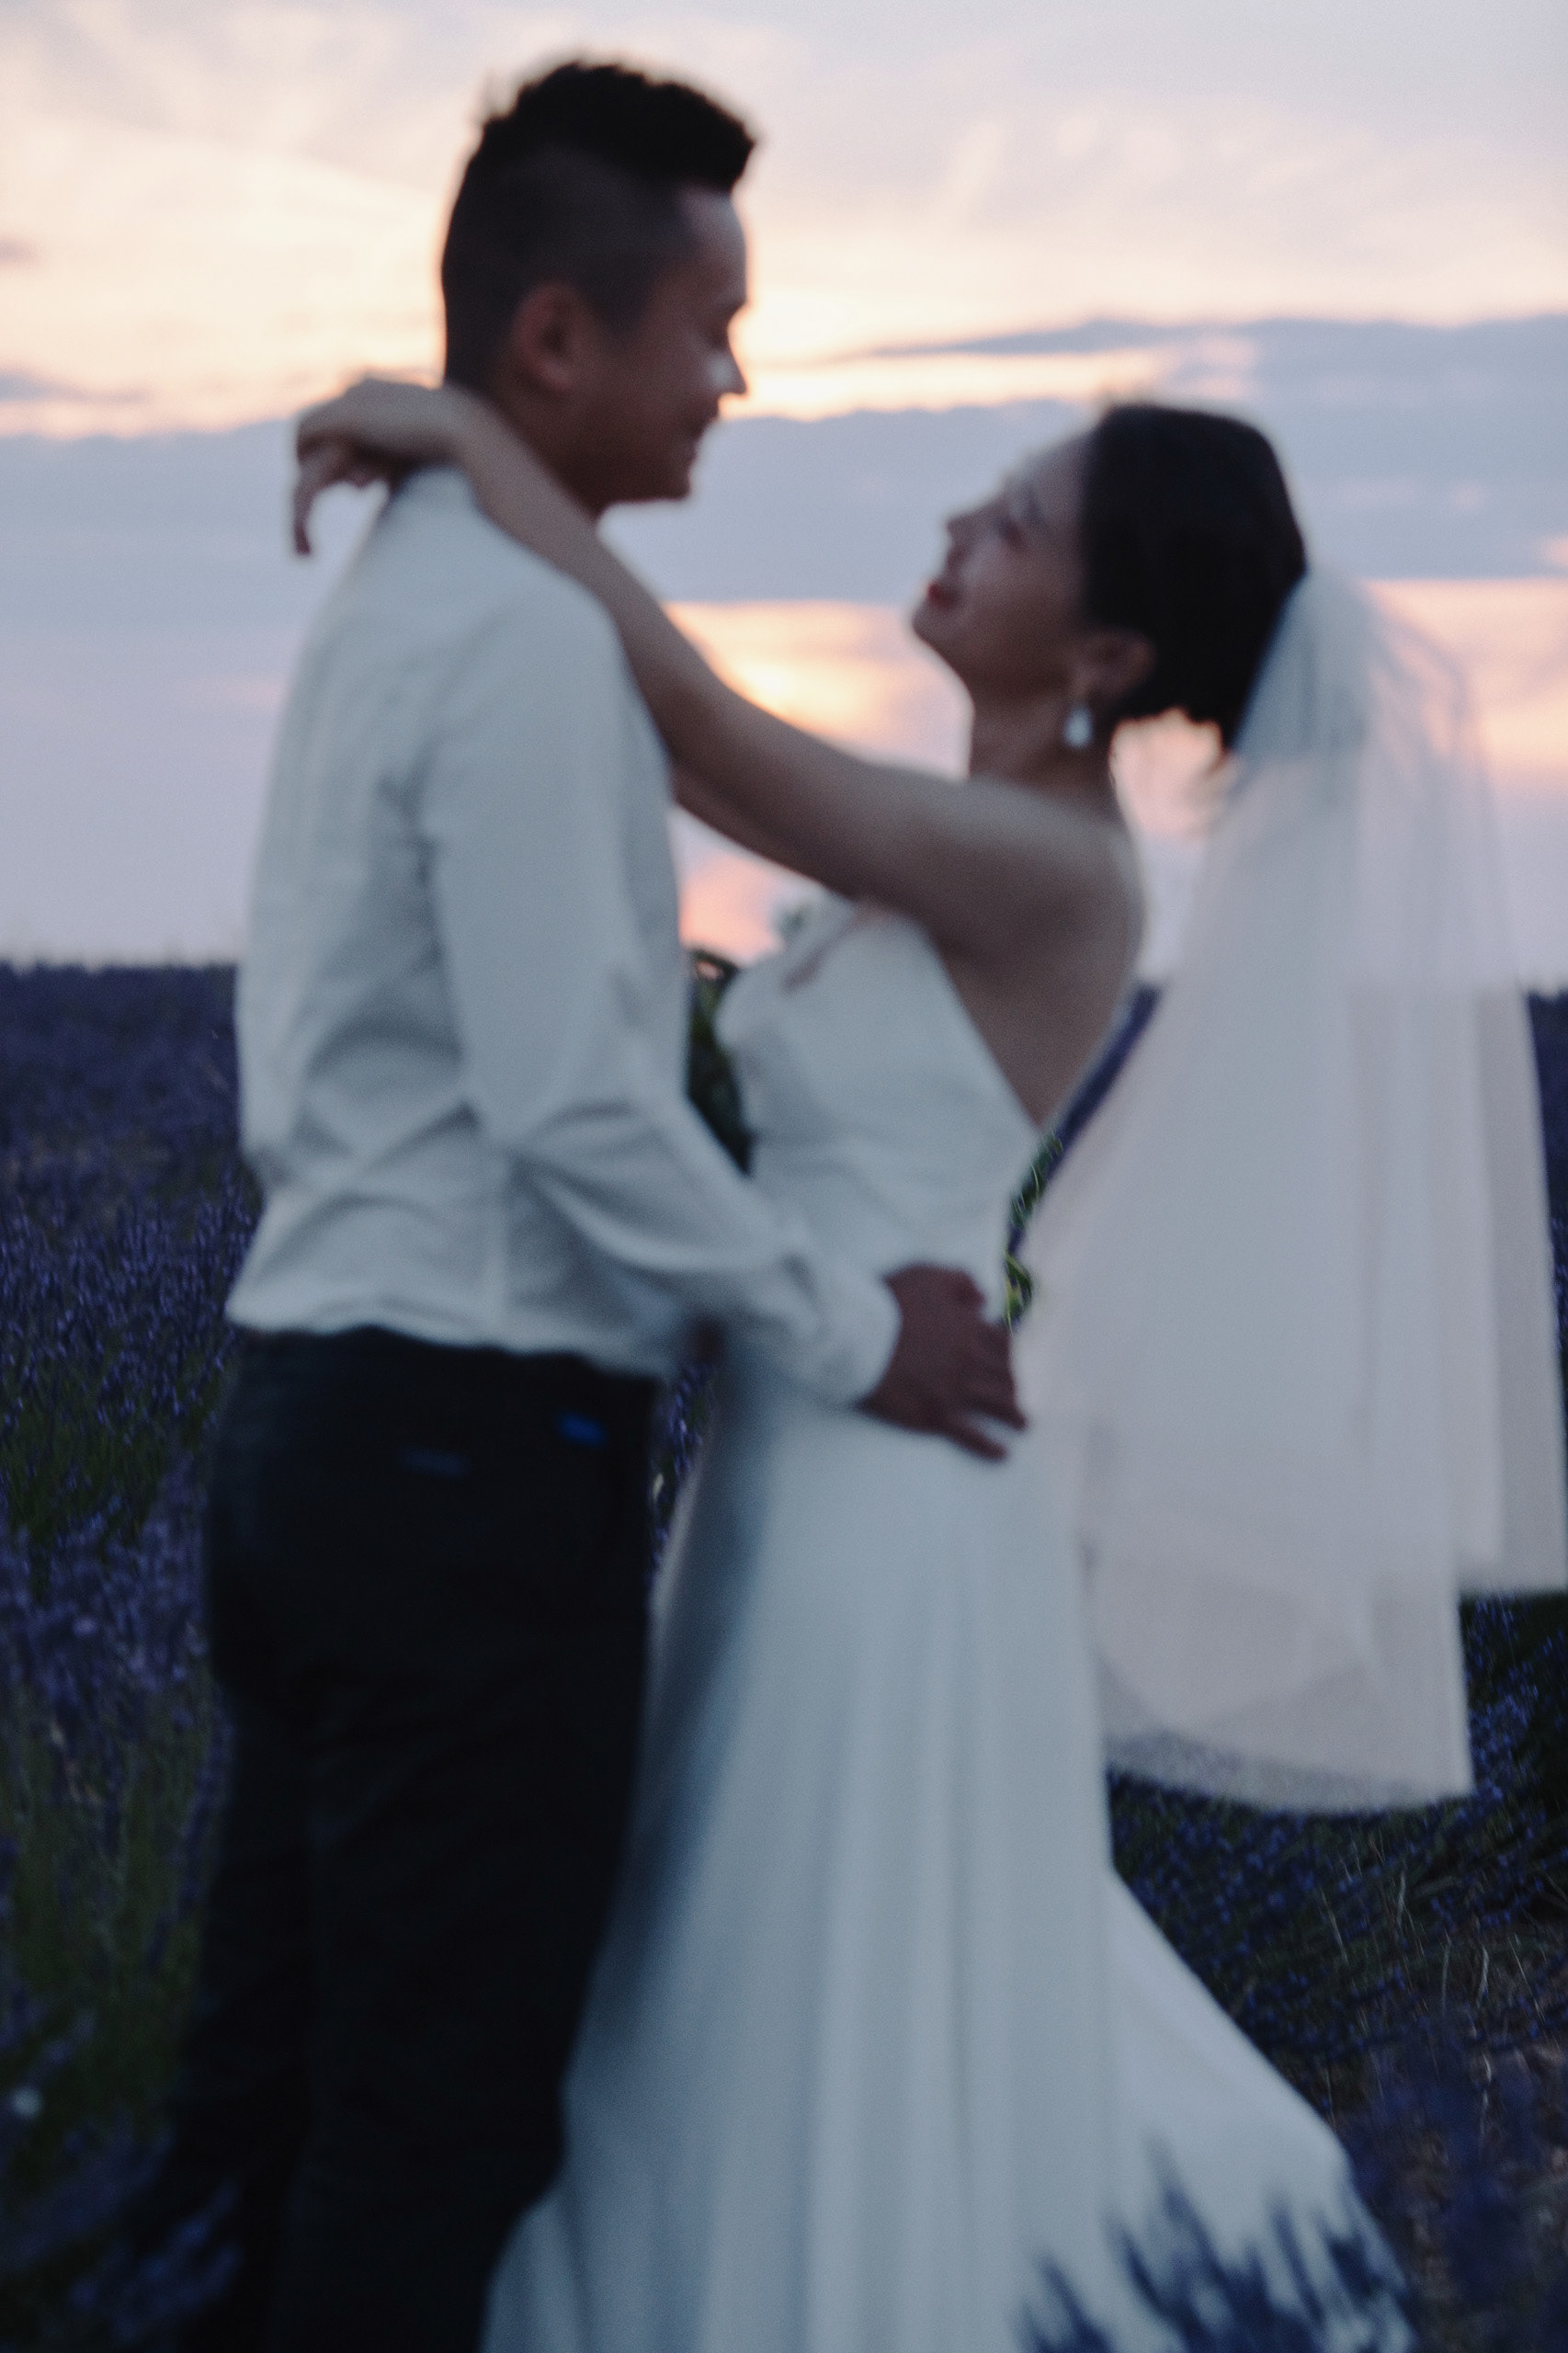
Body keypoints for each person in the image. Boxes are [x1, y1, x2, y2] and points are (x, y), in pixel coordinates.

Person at [295, 359, 1565, 2345]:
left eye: (1017, 524)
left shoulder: (1054, 868)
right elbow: (710, 770)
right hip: (800, 1467)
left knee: (794, 1981)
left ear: (1107, 653)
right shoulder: (956, 835)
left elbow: (703, 733)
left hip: (891, 1515)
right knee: (737, 1969)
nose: (959, 531)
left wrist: (474, 441)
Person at [129, 63, 1022, 2353]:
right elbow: (575, 1114)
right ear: (555, 339)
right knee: (432, 2129)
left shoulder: (405, 602)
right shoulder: (525, 646)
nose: (735, 380)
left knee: (263, 2103)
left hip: (315, 1411)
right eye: (708, 328)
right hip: (465, 1442)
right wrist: (855, 1327)